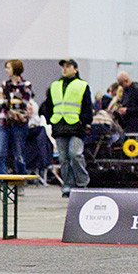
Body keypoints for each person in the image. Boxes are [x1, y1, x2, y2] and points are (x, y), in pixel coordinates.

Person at [39, 59, 92, 197]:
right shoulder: (55, 86)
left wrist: (83, 121)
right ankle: (68, 186)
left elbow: (87, 106)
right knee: (63, 159)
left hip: (76, 126)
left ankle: (82, 183)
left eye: (68, 66)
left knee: (75, 154)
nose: (64, 69)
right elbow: (48, 105)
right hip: (59, 126)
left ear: (75, 69)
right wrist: (51, 119)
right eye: (63, 66)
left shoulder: (82, 85)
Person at [0, 59, 33, 178]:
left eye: (8, 68)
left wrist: (6, 102)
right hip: (3, 122)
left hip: (19, 123)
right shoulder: (4, 84)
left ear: (15, 69)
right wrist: (13, 102)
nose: (6, 70)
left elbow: (24, 103)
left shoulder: (26, 85)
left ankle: (20, 182)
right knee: (0, 154)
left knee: (19, 155)